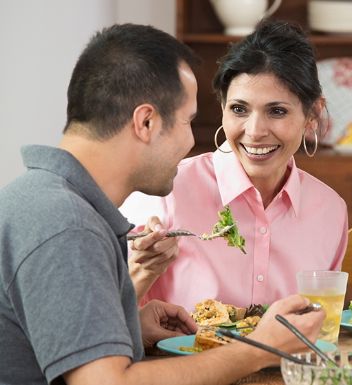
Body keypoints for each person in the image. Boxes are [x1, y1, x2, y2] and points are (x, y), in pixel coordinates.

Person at [0, 23, 324, 385]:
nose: (190, 142)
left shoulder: (45, 200)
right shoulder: (66, 225)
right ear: (147, 122)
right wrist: (258, 349)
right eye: (188, 121)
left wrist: (129, 325)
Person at [122, 20, 348, 311]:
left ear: (312, 114)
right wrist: (142, 270)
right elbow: (104, 320)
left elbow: (322, 323)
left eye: (277, 111)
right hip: (180, 357)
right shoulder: (163, 193)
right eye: (239, 109)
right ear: (222, 108)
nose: (254, 131)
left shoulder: (329, 211)